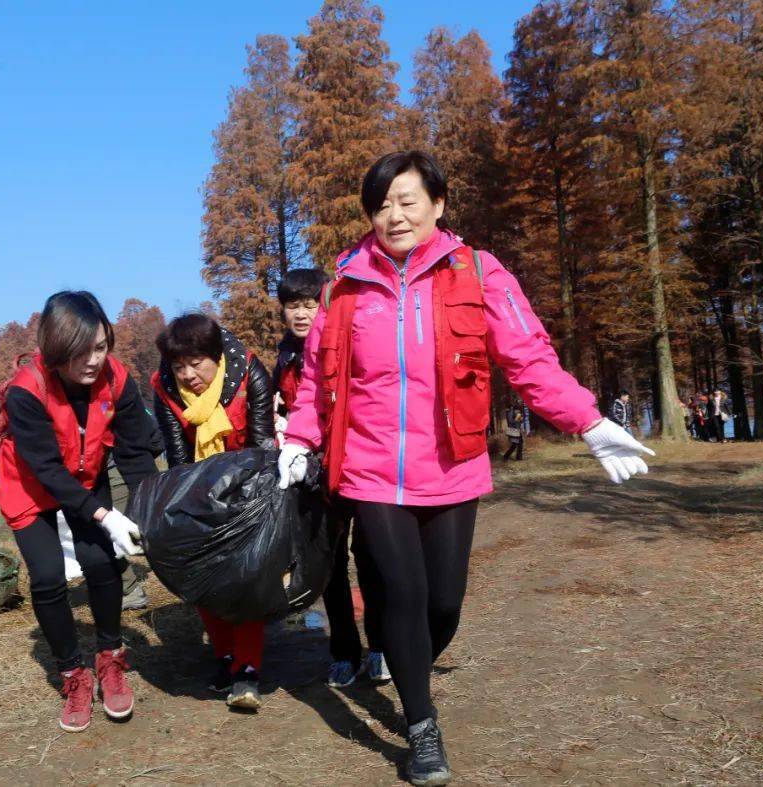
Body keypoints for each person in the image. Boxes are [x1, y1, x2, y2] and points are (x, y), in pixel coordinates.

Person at [277, 151, 654, 786]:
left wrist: (586, 422)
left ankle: (404, 659)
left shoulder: (478, 273)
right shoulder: (341, 285)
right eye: (380, 206)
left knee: (443, 605)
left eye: (406, 201)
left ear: (438, 204)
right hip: (370, 469)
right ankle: (421, 726)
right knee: (402, 593)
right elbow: (317, 377)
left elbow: (529, 358)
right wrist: (302, 438)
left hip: (452, 464)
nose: (393, 216)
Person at [0, 290, 162, 734]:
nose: (93, 360)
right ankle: (73, 674)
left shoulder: (118, 379)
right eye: (80, 352)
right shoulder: (26, 391)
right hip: (32, 484)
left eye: (101, 346)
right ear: (54, 351)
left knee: (103, 562)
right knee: (48, 577)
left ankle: (110, 658)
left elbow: (134, 451)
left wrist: (145, 509)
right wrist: (105, 516)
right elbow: (46, 468)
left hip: (87, 476)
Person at [151, 313, 275, 711]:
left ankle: (248, 669)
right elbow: (177, 455)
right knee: (203, 574)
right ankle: (224, 655)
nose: (188, 374)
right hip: (199, 486)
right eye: (178, 365)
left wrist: (248, 503)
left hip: (250, 480)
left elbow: (261, 441)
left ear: (216, 357)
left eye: (196, 363)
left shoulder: (249, 372)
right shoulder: (165, 388)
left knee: (246, 577)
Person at [275, 268, 390, 688]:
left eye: (308, 304)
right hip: (311, 476)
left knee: (372, 555)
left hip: (358, 464)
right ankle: (343, 650)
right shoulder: (284, 357)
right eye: (292, 305)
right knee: (329, 565)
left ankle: (379, 646)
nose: (301, 314)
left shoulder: (348, 342)